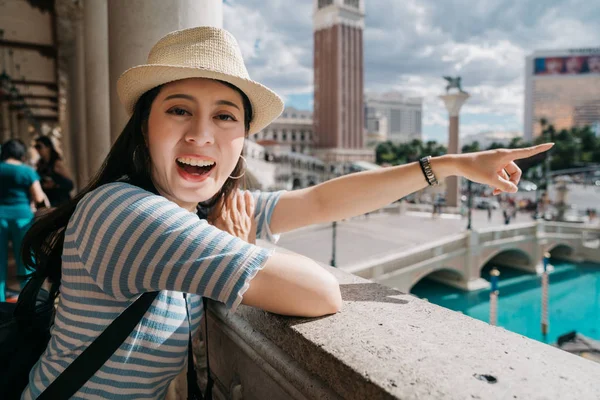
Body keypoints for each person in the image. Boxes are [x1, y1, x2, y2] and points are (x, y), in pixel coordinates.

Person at [20, 26, 553, 399]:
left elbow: (323, 200)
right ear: (144, 126)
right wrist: (248, 248)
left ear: (243, 140)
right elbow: (319, 293)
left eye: (225, 116)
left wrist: (450, 164)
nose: (201, 133)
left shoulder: (198, 211)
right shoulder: (129, 213)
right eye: (178, 109)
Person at [0, 139, 48, 302]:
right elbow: (38, 196)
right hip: (22, 218)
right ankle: (27, 302)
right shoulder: (26, 171)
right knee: (26, 261)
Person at [33, 135, 74, 207]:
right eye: (36, 147)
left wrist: (55, 184)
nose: (37, 150)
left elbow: (70, 184)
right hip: (47, 202)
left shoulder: (57, 163)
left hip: (60, 202)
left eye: (39, 147)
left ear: (48, 147)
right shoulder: (40, 164)